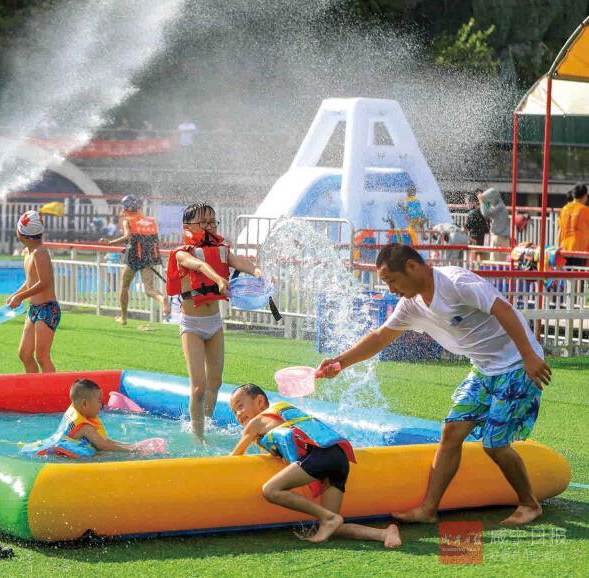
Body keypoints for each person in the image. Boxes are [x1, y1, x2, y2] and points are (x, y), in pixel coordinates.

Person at [318, 244, 551, 526]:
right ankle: (428, 509)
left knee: (494, 443)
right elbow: (380, 338)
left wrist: (529, 355)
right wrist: (340, 363)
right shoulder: (411, 304)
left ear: (413, 267)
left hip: (516, 364)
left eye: (392, 280)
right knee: (451, 432)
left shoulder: (456, 282)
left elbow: (502, 309)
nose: (391, 289)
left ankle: (529, 504)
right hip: (484, 369)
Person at [229, 384, 401, 547]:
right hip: (339, 456)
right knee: (334, 527)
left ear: (259, 401)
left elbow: (234, 457)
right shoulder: (283, 413)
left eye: (240, 405)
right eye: (234, 411)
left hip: (320, 456)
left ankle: (327, 518)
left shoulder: (255, 423)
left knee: (271, 490)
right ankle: (385, 534)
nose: (237, 414)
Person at [165, 202, 261, 438]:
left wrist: (260, 274)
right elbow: (199, 265)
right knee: (198, 388)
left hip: (214, 323)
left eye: (212, 222)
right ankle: (198, 438)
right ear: (187, 226)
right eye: (203, 223)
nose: (209, 227)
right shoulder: (182, 254)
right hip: (192, 326)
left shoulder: (222, 250)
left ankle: (204, 423)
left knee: (215, 383)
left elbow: (241, 263)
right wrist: (218, 279)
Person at [21, 379, 137, 457]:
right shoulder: (85, 428)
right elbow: (104, 445)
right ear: (85, 404)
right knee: (102, 455)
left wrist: (130, 446)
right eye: (99, 401)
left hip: (46, 447)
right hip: (57, 456)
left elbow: (104, 440)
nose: (101, 405)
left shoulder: (75, 411)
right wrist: (134, 452)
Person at [102, 195, 170, 325]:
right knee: (149, 289)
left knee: (124, 286)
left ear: (126, 207)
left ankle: (124, 317)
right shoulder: (151, 220)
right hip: (149, 255)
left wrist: (111, 242)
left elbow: (128, 236)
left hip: (133, 255)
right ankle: (162, 299)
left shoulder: (128, 220)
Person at [8, 210, 59, 373]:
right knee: (24, 354)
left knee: (42, 357)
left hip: (47, 309)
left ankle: (53, 393)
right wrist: (17, 294)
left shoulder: (40, 253)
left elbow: (44, 282)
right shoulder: (28, 252)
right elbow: (31, 280)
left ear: (22, 234)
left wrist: (21, 297)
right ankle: (35, 389)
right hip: (35, 309)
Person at [558, 183, 589, 266]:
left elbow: (560, 230)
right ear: (585, 196)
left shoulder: (564, 209)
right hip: (579, 249)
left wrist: (558, 246)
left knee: (567, 275)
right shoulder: (585, 210)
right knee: (578, 275)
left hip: (564, 248)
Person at [464, 190, 489, 264]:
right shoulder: (483, 210)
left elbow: (466, 228)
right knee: (484, 262)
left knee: (472, 262)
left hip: (474, 240)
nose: (466, 205)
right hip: (485, 240)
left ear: (473, 203)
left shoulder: (472, 213)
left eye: (467, 203)